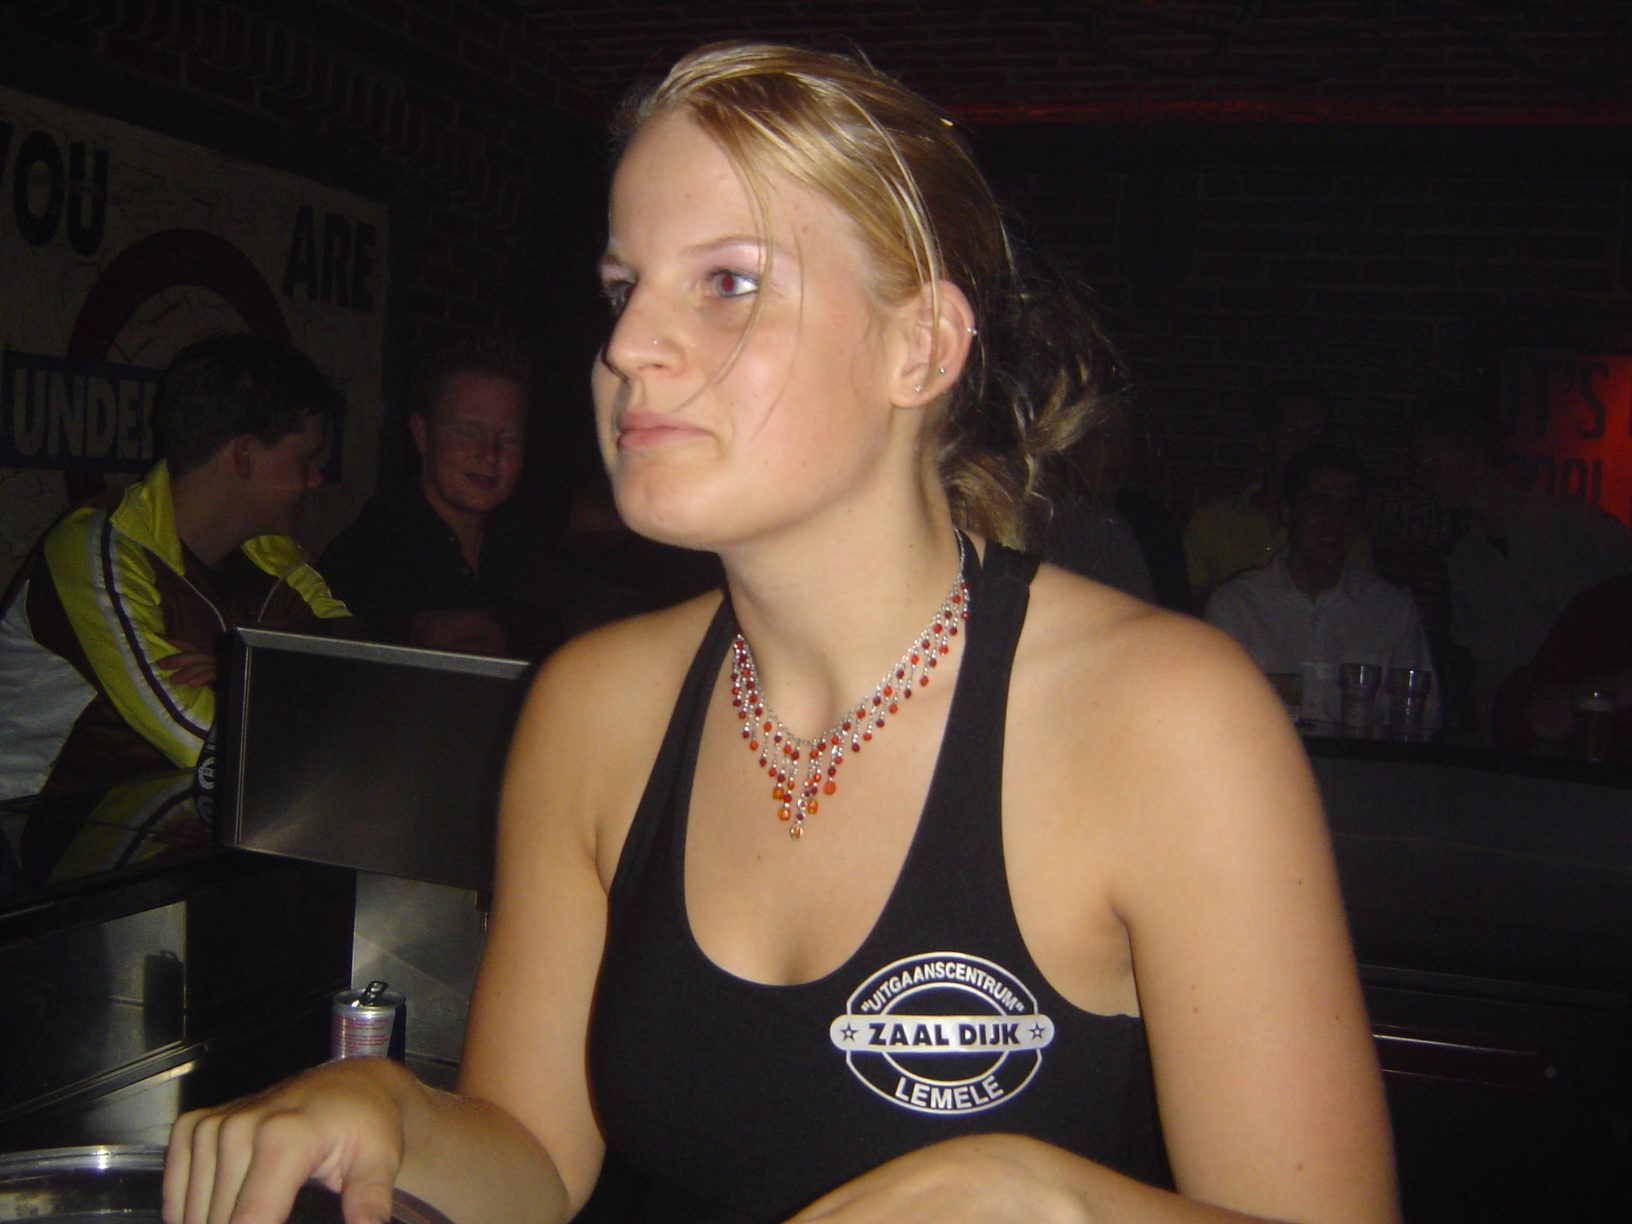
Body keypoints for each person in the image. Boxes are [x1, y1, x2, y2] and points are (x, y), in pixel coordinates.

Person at [164, 43, 1397, 1224]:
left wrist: (1041, 1201)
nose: (625, 347)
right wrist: (389, 1112)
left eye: (729, 283)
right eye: (622, 288)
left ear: (921, 347)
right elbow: (533, 1160)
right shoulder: (594, 707)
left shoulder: (1165, 719)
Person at [0, 334, 348, 801]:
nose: (316, 479)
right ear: (244, 454)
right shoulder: (95, 547)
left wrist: (245, 671)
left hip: (161, 832)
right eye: (306, 459)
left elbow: (373, 685)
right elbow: (198, 743)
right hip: (30, 832)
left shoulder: (274, 559)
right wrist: (270, 679)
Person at [319, 335, 555, 658]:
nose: (490, 454)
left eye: (509, 438)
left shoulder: (532, 556)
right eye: (468, 433)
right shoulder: (365, 559)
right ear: (422, 433)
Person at [1414, 388, 1632, 725]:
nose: (1423, 477)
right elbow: (1478, 674)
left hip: (1583, 738)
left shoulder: (1588, 535)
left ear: (1471, 452)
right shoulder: (1466, 559)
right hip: (1503, 739)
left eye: (1429, 463)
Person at [1206, 445, 1436, 730]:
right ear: (1287, 511)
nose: (1335, 522)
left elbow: (1421, 721)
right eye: (1319, 505)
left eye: (1348, 509)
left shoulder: (1391, 612)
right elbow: (1210, 718)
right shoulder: (1237, 607)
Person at [1183, 379, 1373, 607]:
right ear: (1263, 441)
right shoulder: (1213, 521)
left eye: (1315, 434)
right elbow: (1183, 607)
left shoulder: (1341, 531)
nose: (1305, 444)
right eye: (1291, 432)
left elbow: (1361, 607)